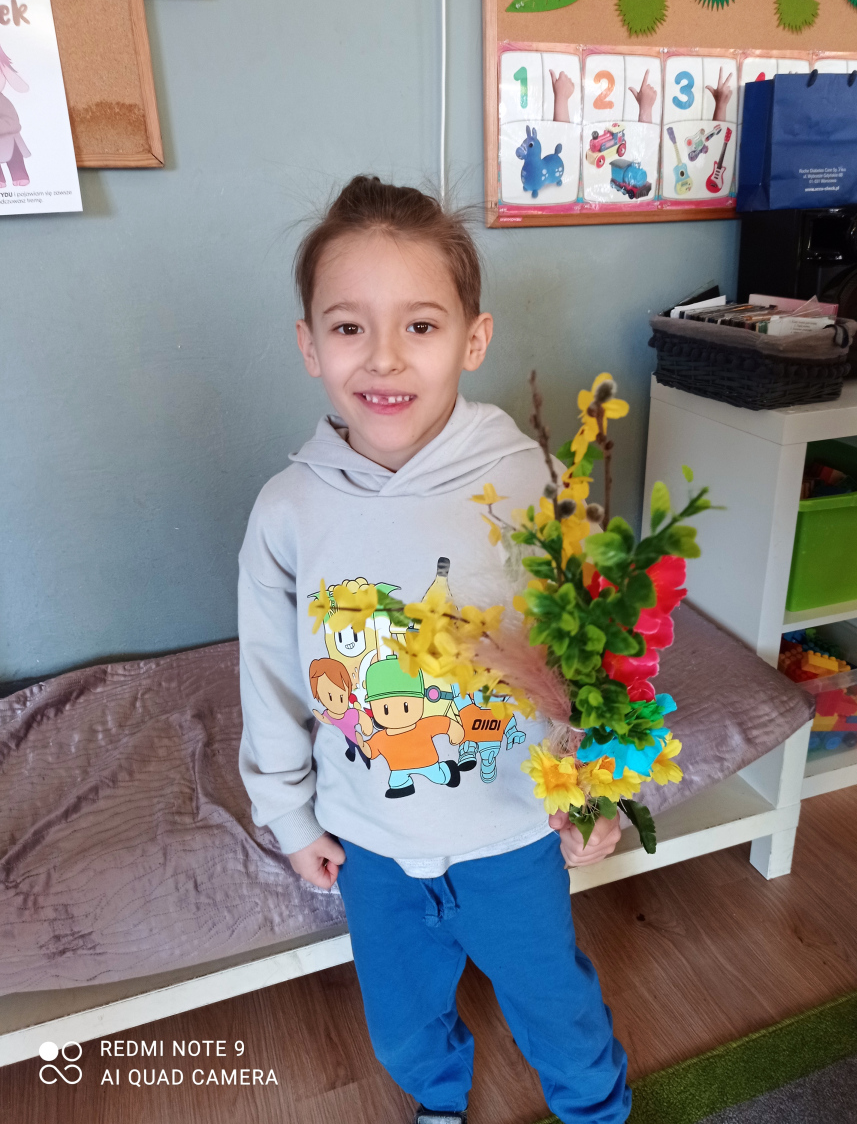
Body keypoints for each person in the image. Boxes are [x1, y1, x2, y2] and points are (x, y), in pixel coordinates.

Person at [237, 175, 630, 1124]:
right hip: (370, 841)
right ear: (309, 344)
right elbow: (271, 674)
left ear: (473, 339)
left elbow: (592, 656)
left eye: (420, 325)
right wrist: (289, 814)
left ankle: (596, 1110)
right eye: (348, 326)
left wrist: (599, 785)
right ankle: (439, 1101)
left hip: (512, 832)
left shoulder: (533, 483)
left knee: (556, 1006)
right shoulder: (287, 510)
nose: (384, 357)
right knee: (402, 1023)